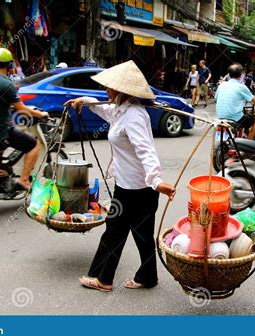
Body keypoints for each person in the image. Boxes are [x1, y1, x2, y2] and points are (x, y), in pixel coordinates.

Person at [66, 60, 176, 292]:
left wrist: (156, 181)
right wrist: (84, 102)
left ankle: (103, 279)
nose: (107, 90)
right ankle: (148, 276)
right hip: (132, 187)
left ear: (122, 90)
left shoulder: (133, 115)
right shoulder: (122, 109)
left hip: (135, 189)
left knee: (115, 231)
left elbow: (145, 150)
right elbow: (105, 110)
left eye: (110, 87)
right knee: (142, 235)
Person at [0, 48, 49, 190]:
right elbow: (21, 108)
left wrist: (8, 106)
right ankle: (23, 180)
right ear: (10, 65)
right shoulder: (6, 84)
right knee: (34, 145)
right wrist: (40, 114)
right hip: (0, 132)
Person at [215, 63, 255, 129]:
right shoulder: (241, 87)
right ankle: (249, 139)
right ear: (241, 74)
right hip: (235, 118)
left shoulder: (222, 85)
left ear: (229, 74)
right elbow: (254, 100)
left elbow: (216, 98)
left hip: (220, 116)